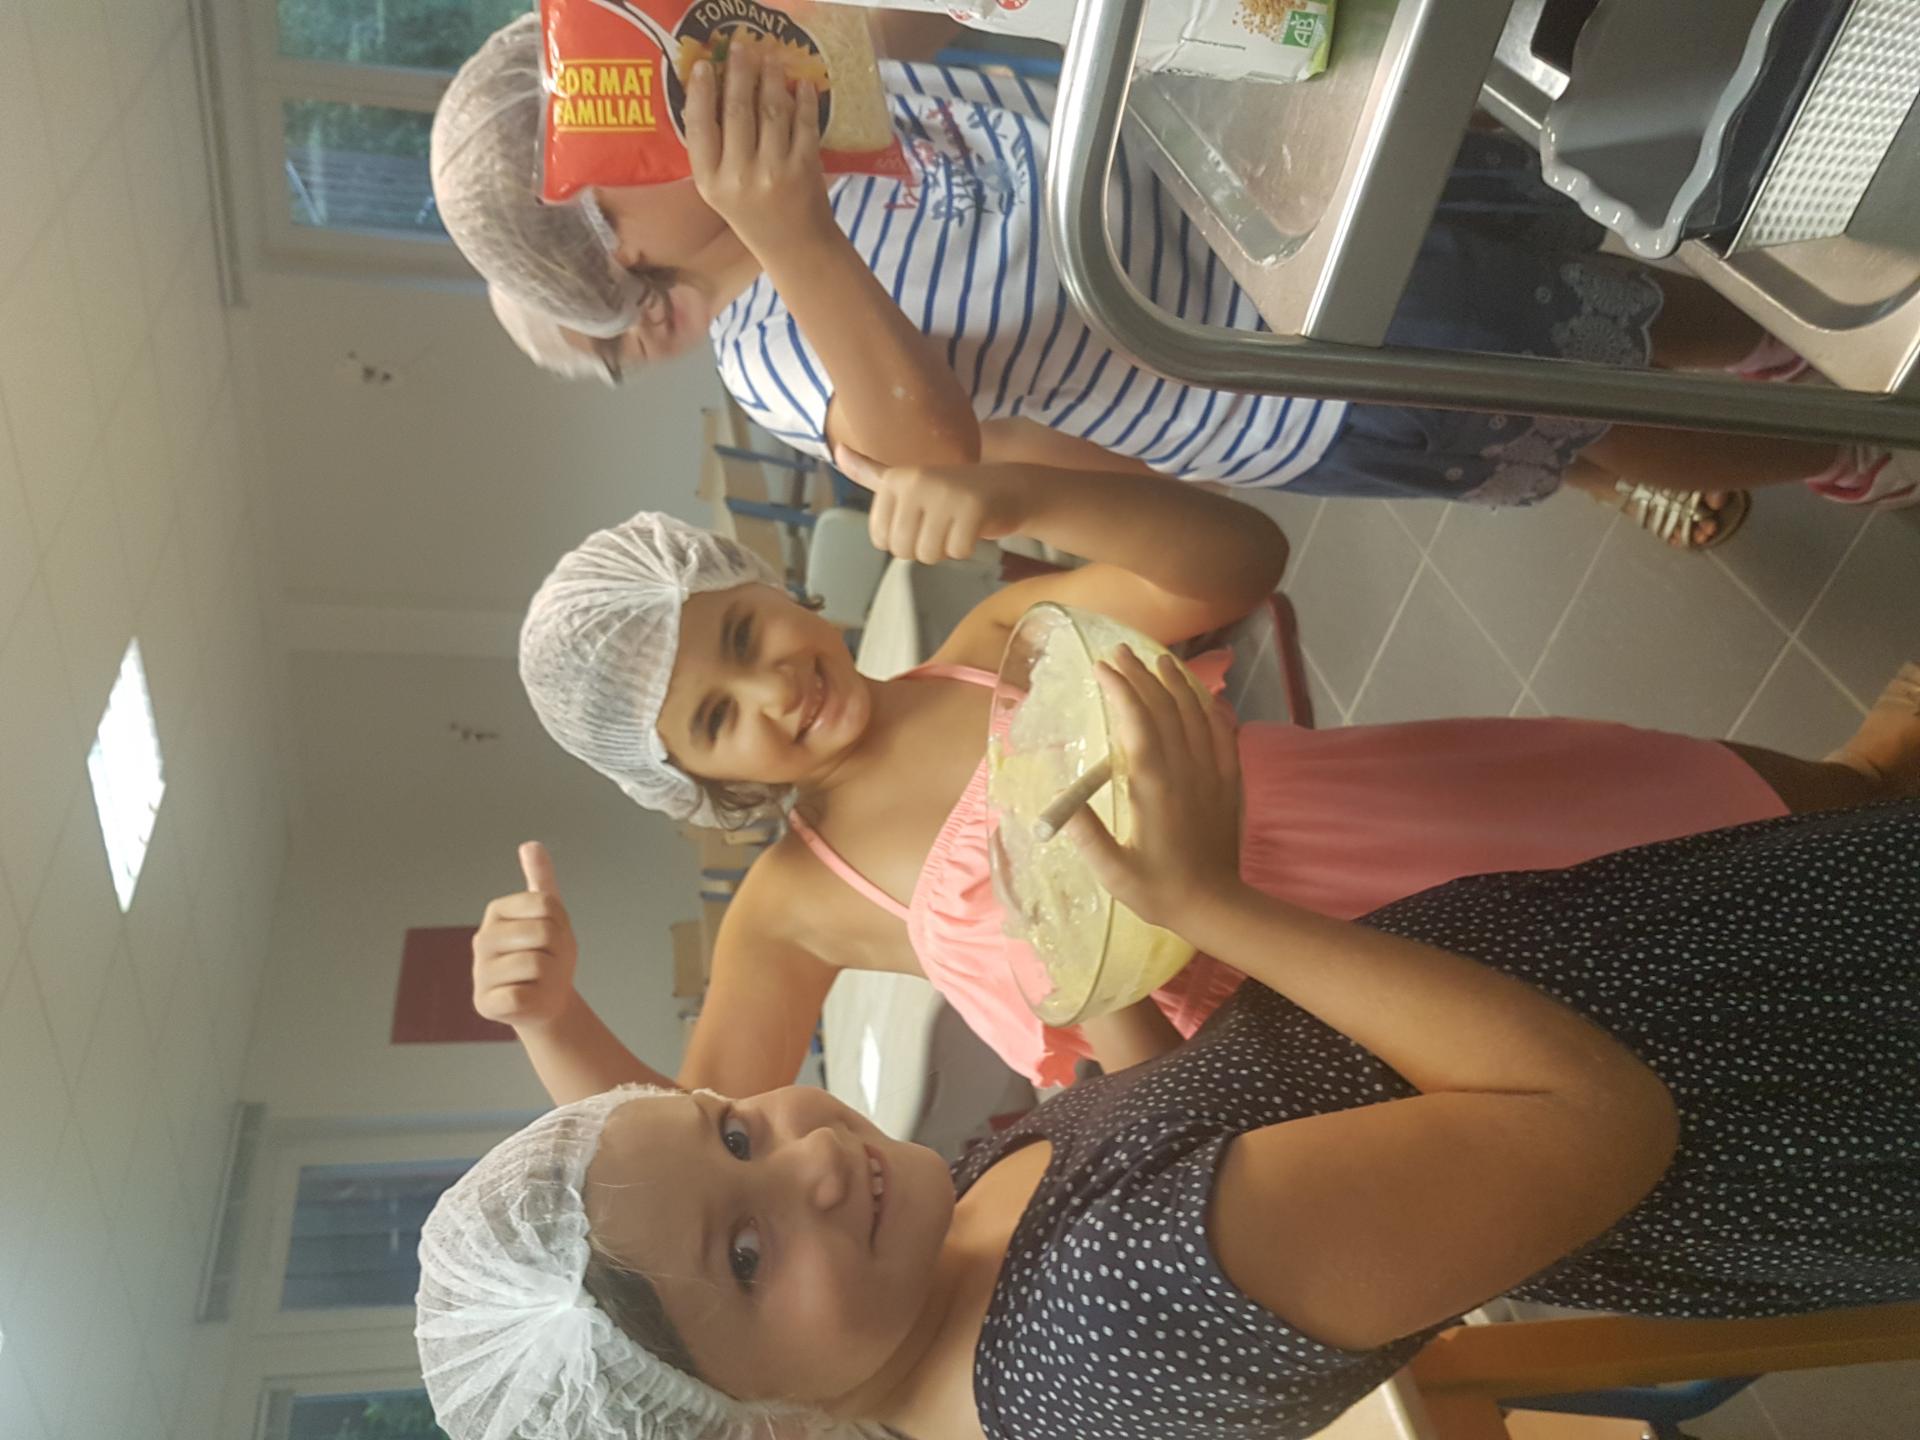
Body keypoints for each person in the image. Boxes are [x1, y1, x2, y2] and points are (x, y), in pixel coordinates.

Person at [415, 652, 1920, 1440]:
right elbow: (1596, 1122)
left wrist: (1098, 967)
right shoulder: (1107, 1330)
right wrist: (1214, 904)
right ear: (753, 1432)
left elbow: (1155, 1126)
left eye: (736, 1131)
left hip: (1677, 974)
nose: (802, 1167)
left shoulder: (936, 1257)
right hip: (1778, 1068)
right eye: (745, 1259)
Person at [506, 455, 1920, 1092]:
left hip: (1402, 811)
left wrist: (1021, 497)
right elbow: (696, 1131)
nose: (774, 690)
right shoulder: (794, 907)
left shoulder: (992, 647)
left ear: (767, 585)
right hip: (1304, 1016)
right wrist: (556, 1022)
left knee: (1680, 806)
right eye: (718, 718)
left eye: (743, 634)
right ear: (694, 781)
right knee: (1660, 1037)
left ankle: (1859, 780)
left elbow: (1240, 565)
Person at [430, 17, 1918, 549]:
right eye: (626, 148)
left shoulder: (824, 100)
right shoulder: (770, 346)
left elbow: (918, 24)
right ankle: (1845, 450)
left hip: (1261, 193)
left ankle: (1792, 347)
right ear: (619, 251)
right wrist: (796, 232)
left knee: (1597, 270)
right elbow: (932, 447)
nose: (677, 104)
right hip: (1293, 379)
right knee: (1593, 408)